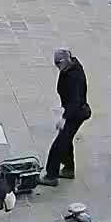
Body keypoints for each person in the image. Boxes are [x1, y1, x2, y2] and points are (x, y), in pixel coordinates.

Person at [41, 49, 90, 186]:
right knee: (66, 141)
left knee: (58, 145)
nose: (57, 67)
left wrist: (64, 118)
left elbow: (75, 101)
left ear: (65, 61)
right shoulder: (69, 67)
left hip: (76, 114)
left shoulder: (75, 76)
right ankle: (69, 169)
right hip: (72, 110)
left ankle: (51, 176)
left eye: (58, 64)